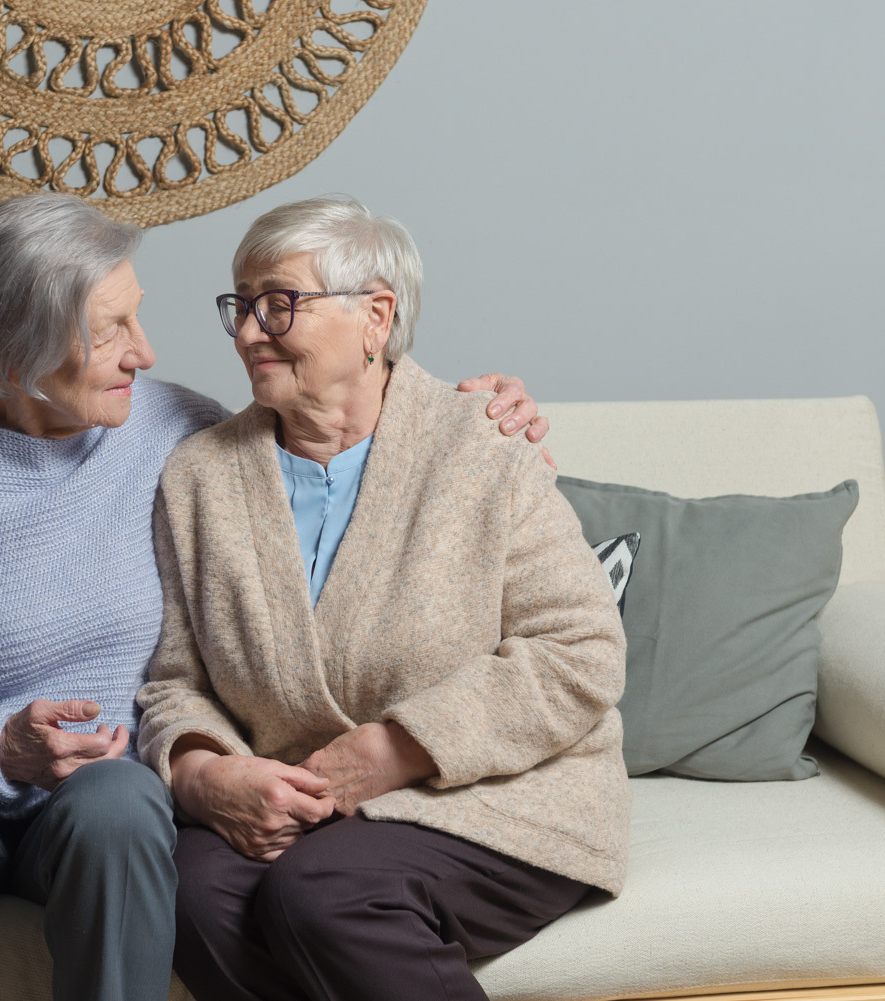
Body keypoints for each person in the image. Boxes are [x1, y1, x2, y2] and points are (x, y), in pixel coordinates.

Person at [0, 190, 552, 1001]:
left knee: (122, 806)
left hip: (87, 788)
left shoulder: (177, 433)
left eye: (136, 316)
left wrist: (488, 414)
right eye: (109, 329)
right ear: (20, 354)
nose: (144, 353)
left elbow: (337, 431)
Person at [139, 194, 631, 1001]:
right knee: (184, 888)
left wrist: (402, 748)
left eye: (279, 303)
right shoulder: (198, 475)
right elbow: (173, 678)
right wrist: (202, 773)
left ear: (375, 316)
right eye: (241, 305)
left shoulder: (483, 444)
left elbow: (580, 651)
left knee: (324, 892)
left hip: (490, 794)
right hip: (299, 803)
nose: (247, 331)